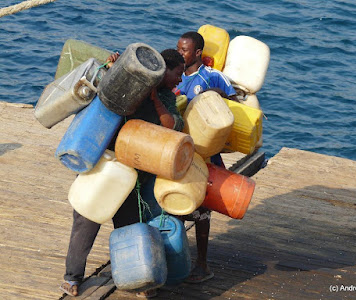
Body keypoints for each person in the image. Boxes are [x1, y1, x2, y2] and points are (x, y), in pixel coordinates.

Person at [59, 49, 185, 297]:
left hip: (133, 172)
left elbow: (172, 125)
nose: (179, 80)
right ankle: (72, 277)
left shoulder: (167, 98)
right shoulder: (130, 80)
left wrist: (153, 98)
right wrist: (113, 67)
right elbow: (100, 92)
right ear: (164, 71)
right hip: (103, 162)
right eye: (177, 74)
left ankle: (137, 279)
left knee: (131, 226)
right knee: (86, 222)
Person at [175, 31, 237, 283]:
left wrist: (218, 95)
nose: (180, 53)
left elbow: (237, 105)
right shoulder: (173, 74)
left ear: (198, 53)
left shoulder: (212, 77)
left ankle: (202, 265)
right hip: (179, 153)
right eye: (178, 48)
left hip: (205, 157)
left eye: (184, 50)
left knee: (201, 213)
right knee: (175, 207)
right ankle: (177, 260)